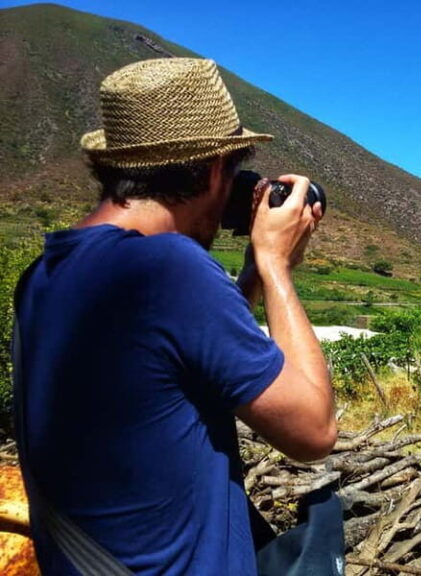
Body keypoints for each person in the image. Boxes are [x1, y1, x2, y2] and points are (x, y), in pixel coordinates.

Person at [12, 57, 337, 574]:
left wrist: (250, 276)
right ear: (213, 170)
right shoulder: (168, 268)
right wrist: (276, 266)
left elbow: (183, 357)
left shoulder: (46, 274)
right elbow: (314, 432)